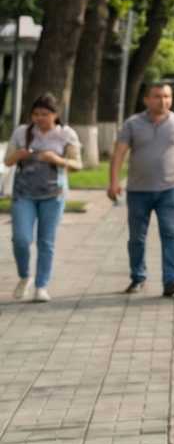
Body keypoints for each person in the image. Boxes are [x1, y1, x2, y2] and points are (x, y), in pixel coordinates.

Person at [109, 82, 174, 297]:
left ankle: (170, 281)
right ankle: (138, 277)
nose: (163, 101)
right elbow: (119, 153)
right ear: (147, 100)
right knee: (137, 238)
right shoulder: (133, 123)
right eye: (157, 96)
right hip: (138, 190)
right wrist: (113, 181)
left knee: (171, 234)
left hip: (170, 189)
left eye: (167, 96)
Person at [6, 94, 80, 302]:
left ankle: (41, 286)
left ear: (55, 115)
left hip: (53, 195)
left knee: (46, 242)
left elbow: (77, 164)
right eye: (36, 114)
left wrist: (56, 159)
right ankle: (24, 277)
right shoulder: (22, 132)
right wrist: (18, 155)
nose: (39, 118)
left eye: (45, 114)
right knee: (21, 239)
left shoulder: (66, 134)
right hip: (23, 194)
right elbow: (7, 161)